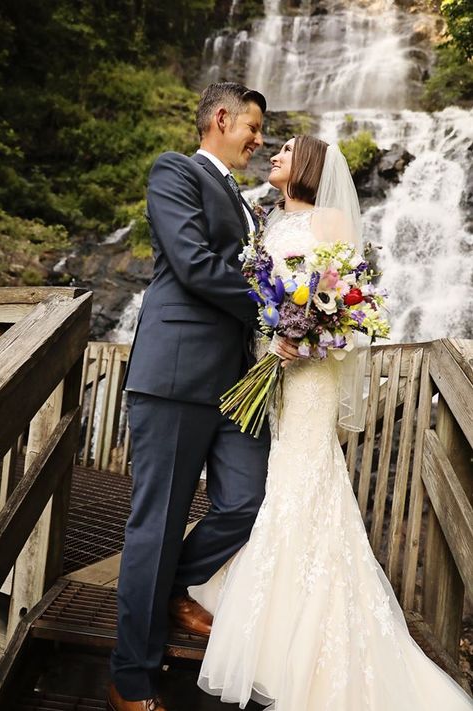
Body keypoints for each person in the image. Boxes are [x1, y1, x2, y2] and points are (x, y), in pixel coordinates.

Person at [192, 136, 473, 710]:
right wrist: (278, 336)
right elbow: (262, 297)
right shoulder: (266, 221)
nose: (273, 152)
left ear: (310, 165)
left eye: (287, 149)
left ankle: (302, 625)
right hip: (272, 366)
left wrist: (304, 336)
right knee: (280, 478)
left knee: (303, 474)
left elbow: (348, 304)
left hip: (309, 375)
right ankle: (278, 601)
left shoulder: (331, 219)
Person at [107, 82, 271, 711]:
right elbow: (195, 264)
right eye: (253, 128)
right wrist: (279, 309)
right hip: (176, 374)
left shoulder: (250, 202)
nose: (259, 141)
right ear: (221, 119)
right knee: (158, 521)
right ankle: (132, 678)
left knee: (247, 498)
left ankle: (171, 584)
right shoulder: (174, 171)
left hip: (235, 383)